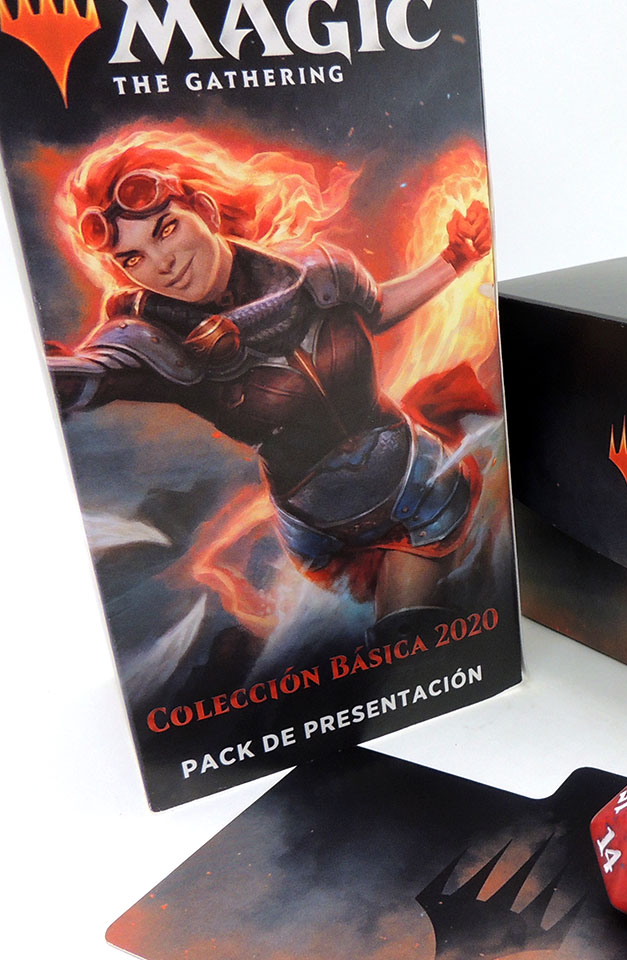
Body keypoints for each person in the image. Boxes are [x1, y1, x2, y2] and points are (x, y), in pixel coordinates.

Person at [48, 127, 496, 642]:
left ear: (204, 212)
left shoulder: (316, 270)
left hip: (418, 485)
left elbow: (377, 307)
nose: (162, 264)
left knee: (421, 635)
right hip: (320, 533)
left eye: (166, 229)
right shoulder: (154, 340)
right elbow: (94, 373)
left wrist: (455, 259)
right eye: (133, 259)